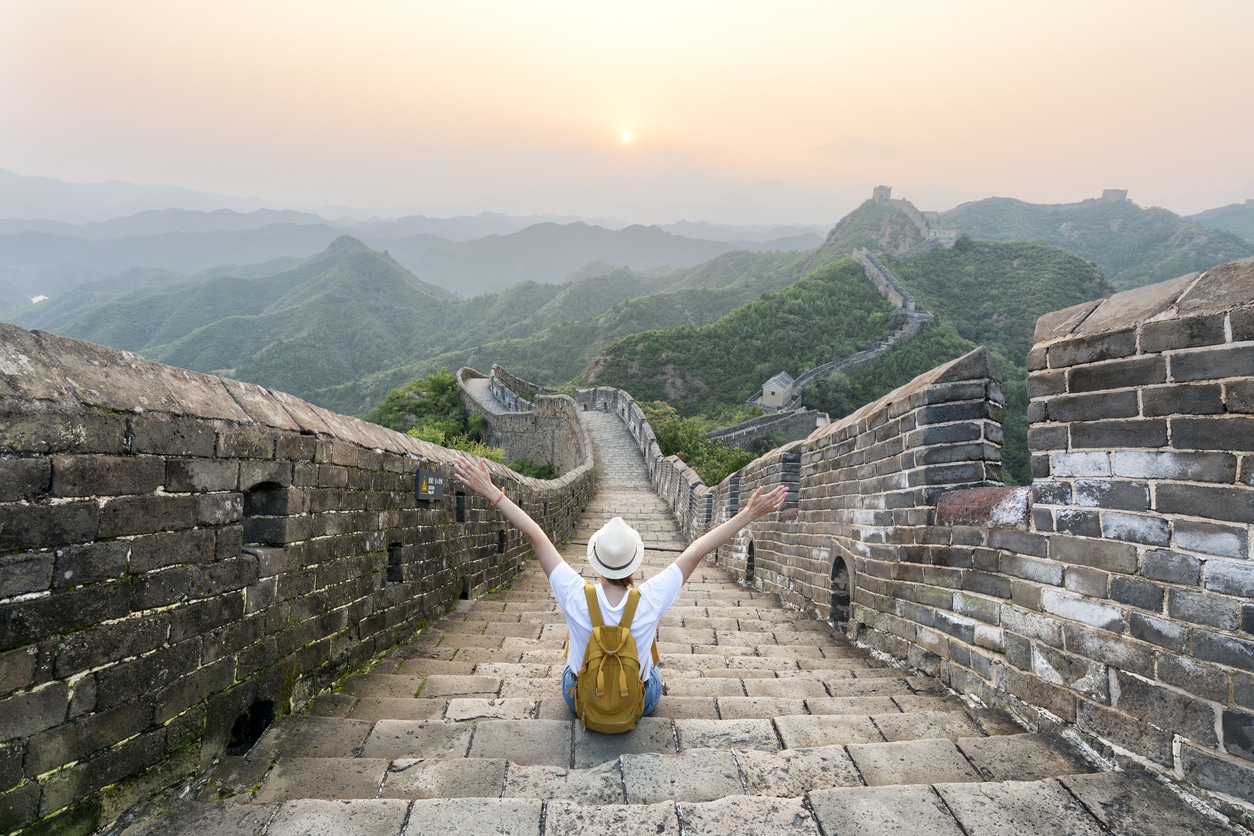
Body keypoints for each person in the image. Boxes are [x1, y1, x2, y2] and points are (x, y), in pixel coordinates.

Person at [452, 455, 789, 717]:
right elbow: (697, 549)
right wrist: (747, 514)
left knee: (572, 660)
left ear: (595, 560)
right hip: (636, 702)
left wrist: (492, 491)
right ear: (635, 563)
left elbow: (536, 534)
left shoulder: (574, 593)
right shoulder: (651, 598)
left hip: (582, 701)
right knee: (652, 666)